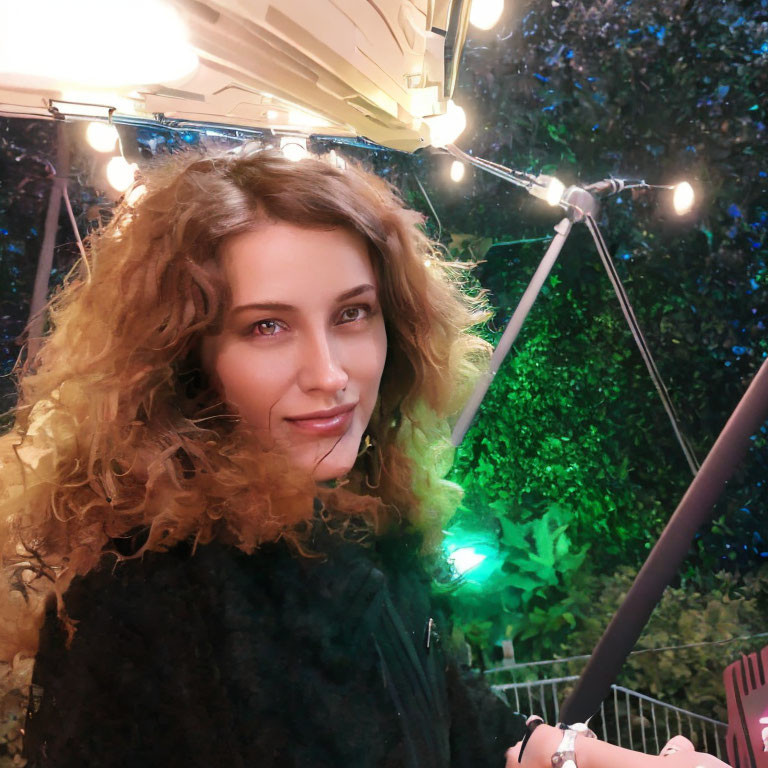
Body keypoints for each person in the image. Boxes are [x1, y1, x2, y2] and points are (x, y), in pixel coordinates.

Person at [0, 146, 728, 767]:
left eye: (352, 314)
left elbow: (458, 716)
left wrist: (589, 756)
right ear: (187, 359)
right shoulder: (146, 598)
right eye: (266, 327)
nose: (329, 374)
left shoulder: (355, 522)